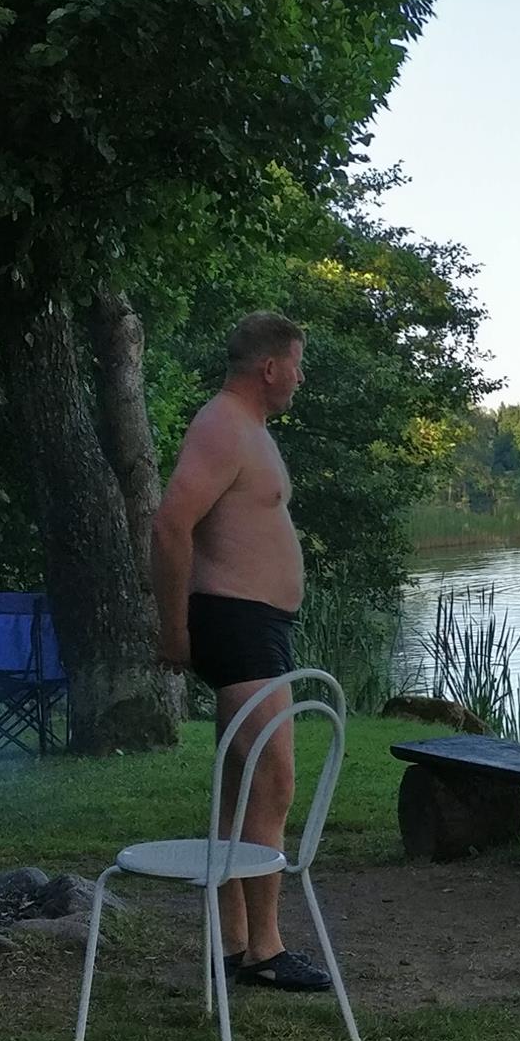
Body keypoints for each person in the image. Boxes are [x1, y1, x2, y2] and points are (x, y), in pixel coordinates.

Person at [150, 310, 333, 992]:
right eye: (297, 364)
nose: (301, 377)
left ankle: (231, 942)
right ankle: (265, 949)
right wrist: (174, 629)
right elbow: (170, 523)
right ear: (270, 367)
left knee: (241, 781)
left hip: (254, 623)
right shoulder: (223, 426)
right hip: (237, 623)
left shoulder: (246, 428)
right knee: (274, 780)